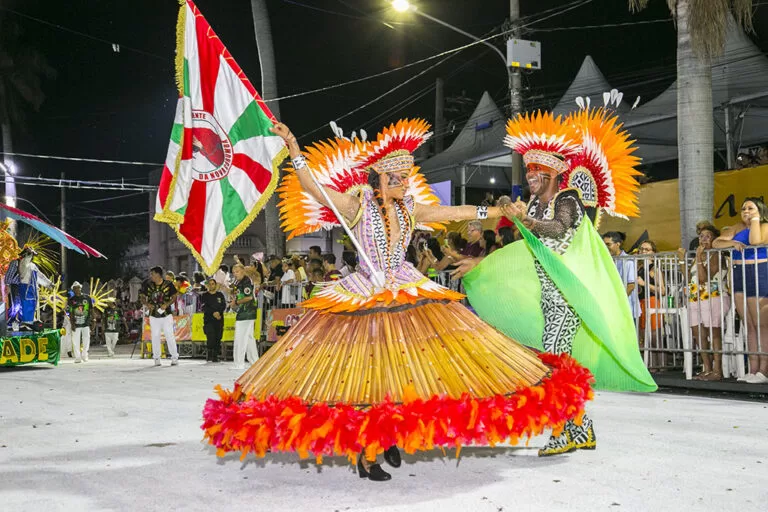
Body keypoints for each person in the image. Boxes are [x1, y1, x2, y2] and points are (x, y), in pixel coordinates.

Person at [203, 119, 593, 481]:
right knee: (365, 373)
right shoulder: (358, 206)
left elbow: (452, 210)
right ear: (381, 177)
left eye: (407, 177)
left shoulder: (410, 207)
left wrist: (496, 210)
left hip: (404, 290)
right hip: (365, 296)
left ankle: (388, 436)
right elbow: (312, 188)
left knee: (401, 370)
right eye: (397, 177)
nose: (405, 183)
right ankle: (366, 449)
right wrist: (293, 148)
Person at [452, 106, 656, 456]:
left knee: (553, 361)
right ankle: (582, 428)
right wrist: (481, 261)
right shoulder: (533, 206)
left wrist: (526, 222)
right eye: (528, 168)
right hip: (547, 294)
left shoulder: (568, 200)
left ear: (554, 173)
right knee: (563, 363)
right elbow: (524, 249)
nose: (530, 174)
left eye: (537, 169)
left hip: (567, 295)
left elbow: (559, 228)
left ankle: (561, 431)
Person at [713, 197, 768, 383]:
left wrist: (755, 220)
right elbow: (716, 243)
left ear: (759, 210)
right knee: (749, 324)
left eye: (750, 208)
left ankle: (764, 370)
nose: (745, 211)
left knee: (761, 323)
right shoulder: (736, 227)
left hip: (758, 271)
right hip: (738, 272)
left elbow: (755, 241)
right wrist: (732, 243)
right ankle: (752, 369)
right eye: (744, 208)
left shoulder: (764, 225)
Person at [683, 226, 729, 380]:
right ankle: (707, 368)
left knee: (713, 332)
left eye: (707, 236)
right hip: (696, 293)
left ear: (714, 239)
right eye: (701, 236)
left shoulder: (716, 254)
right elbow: (689, 277)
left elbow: (704, 278)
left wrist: (699, 256)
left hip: (713, 293)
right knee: (698, 332)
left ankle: (717, 370)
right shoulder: (699, 255)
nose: (703, 239)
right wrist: (685, 260)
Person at [140, 266, 179, 367]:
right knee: (155, 336)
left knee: (169, 335)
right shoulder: (148, 285)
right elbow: (142, 297)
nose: (151, 276)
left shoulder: (169, 284)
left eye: (152, 274)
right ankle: (156, 358)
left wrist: (167, 304)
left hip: (166, 315)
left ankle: (174, 357)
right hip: (153, 315)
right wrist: (147, 304)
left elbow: (175, 296)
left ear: (158, 274)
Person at [637, 241, 665, 367]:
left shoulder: (655, 268)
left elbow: (663, 290)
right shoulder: (639, 268)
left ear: (653, 252)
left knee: (654, 335)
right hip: (641, 302)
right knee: (644, 335)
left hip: (652, 301)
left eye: (647, 249)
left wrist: (644, 284)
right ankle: (651, 364)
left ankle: (661, 364)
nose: (643, 252)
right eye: (641, 249)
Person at [604, 231, 641, 323]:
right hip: (613, 308)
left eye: (608, 244)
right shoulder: (608, 260)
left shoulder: (628, 261)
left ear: (618, 244)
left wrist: (619, 302)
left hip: (627, 308)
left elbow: (631, 285)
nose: (605, 247)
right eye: (604, 244)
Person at [229, 263, 259, 370]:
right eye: (233, 272)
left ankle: (239, 363)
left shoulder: (247, 281)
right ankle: (255, 361)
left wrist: (236, 302)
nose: (235, 274)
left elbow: (249, 297)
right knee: (250, 338)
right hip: (243, 312)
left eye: (237, 272)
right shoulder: (238, 282)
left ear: (243, 271)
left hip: (247, 312)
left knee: (240, 338)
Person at [200, 278, 226, 363]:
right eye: (209, 284)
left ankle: (215, 356)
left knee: (218, 337)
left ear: (215, 285)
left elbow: (223, 305)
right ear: (207, 285)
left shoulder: (220, 295)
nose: (211, 285)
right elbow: (204, 307)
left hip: (219, 319)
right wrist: (213, 313)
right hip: (209, 320)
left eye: (213, 284)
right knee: (211, 337)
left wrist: (219, 312)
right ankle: (209, 354)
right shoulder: (204, 295)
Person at [67, 281, 92, 363]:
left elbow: (91, 309)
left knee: (86, 339)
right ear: (73, 290)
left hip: (86, 322)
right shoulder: (71, 300)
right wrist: (72, 324)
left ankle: (85, 356)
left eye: (78, 287)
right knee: (75, 341)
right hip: (76, 323)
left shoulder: (87, 298)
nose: (77, 289)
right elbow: (70, 312)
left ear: (80, 288)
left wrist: (93, 321)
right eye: (75, 288)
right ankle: (78, 357)